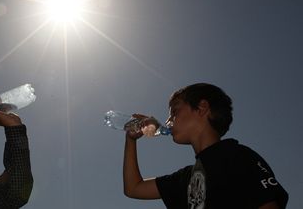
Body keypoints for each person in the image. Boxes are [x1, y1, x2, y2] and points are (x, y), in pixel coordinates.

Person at [123, 83, 288, 209]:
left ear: (201, 108)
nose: (168, 121)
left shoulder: (237, 156)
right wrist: (131, 140)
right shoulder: (186, 178)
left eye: (174, 112)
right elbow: (134, 188)